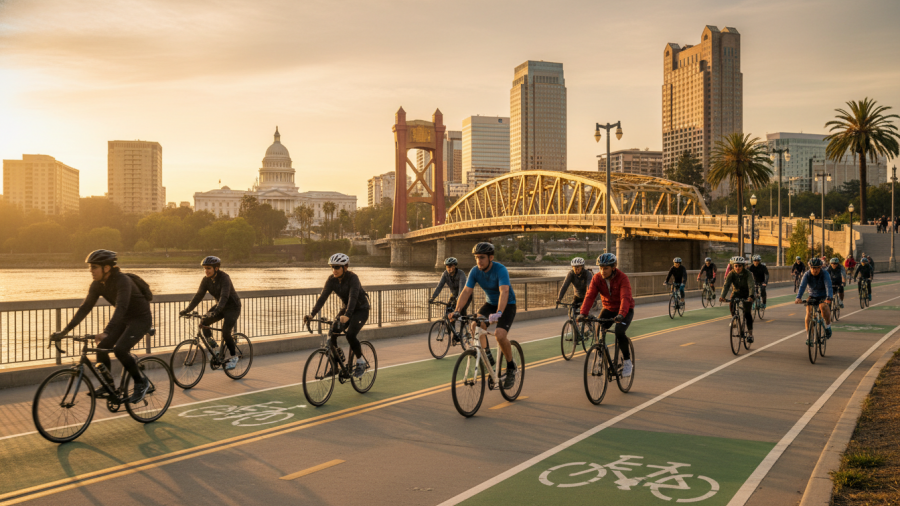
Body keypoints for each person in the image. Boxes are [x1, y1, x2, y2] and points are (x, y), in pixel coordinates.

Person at [51, 250, 153, 401]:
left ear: (106, 268)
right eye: (90, 267)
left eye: (94, 267)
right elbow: (85, 308)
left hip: (140, 319)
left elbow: (121, 307)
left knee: (120, 349)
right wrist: (64, 331)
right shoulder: (97, 285)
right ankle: (109, 385)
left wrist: (106, 331)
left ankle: (141, 382)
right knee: (102, 347)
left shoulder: (122, 280)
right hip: (124, 320)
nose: (90, 271)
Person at [451, 242, 518, 389]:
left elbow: (504, 292)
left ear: (491, 257)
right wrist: (457, 310)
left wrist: (499, 312)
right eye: (476, 257)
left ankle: (511, 366)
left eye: (482, 257)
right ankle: (488, 357)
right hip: (490, 304)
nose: (478, 261)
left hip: (507, 305)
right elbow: (466, 292)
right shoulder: (475, 271)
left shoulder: (500, 270)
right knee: (475, 325)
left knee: (499, 335)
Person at [304, 253, 371, 378]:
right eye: (332, 267)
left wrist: (348, 315)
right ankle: (335, 366)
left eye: (337, 267)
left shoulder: (353, 278)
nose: (334, 270)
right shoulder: (331, 280)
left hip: (361, 309)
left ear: (345, 267)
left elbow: (353, 297)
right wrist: (312, 314)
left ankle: (360, 361)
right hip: (347, 309)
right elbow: (323, 297)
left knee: (351, 334)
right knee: (333, 331)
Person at [179, 256, 242, 371]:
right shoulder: (206, 280)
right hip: (220, 306)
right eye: (204, 268)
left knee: (226, 331)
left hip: (233, 307)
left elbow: (224, 296)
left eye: (208, 268)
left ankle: (234, 357)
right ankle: (216, 349)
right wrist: (187, 310)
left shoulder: (224, 278)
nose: (206, 271)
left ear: (216, 268)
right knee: (204, 322)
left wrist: (216, 311)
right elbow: (198, 296)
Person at [577, 253, 634, 377]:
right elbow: (590, 295)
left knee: (619, 331)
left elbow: (625, 298)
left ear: (613, 267)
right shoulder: (597, 278)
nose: (602, 271)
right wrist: (583, 313)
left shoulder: (622, 278)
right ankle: (600, 356)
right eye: (600, 268)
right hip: (608, 308)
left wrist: (621, 314)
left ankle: (627, 361)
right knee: (599, 329)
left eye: (605, 268)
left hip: (625, 310)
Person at [430, 257, 469, 343]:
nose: (449, 269)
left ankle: (464, 328)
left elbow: (462, 289)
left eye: (451, 267)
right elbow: (439, 286)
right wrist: (433, 297)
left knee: (460, 310)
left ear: (455, 266)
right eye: (448, 267)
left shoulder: (461, 274)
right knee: (449, 311)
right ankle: (455, 334)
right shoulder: (445, 274)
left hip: (465, 294)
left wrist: (458, 301)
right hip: (454, 295)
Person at [795, 258, 834, 340]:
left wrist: (829, 298)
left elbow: (828, 286)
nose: (814, 270)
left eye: (816, 268)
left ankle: (827, 326)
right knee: (808, 313)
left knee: (823, 307)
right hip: (812, 295)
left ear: (820, 267)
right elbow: (802, 286)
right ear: (810, 267)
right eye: (812, 268)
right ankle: (809, 336)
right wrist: (798, 297)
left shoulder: (825, 274)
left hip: (823, 296)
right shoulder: (807, 274)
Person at [720, 256, 756, 342]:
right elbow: (726, 285)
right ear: (733, 266)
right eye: (736, 266)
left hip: (747, 294)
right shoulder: (731, 274)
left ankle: (750, 334)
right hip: (736, 292)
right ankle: (735, 318)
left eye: (740, 266)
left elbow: (751, 285)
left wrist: (751, 296)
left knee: (747, 313)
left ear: (743, 266)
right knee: (731, 302)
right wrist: (722, 296)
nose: (737, 268)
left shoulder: (748, 274)